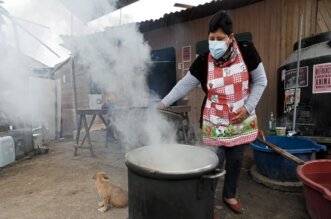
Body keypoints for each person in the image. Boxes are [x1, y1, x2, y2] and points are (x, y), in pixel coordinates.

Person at [157, 11, 267, 214]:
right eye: (211, 38)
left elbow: (261, 81)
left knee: (235, 162)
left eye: (220, 38)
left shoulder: (246, 50)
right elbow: (184, 85)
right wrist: (163, 104)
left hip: (239, 120)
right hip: (214, 122)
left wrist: (247, 108)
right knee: (211, 165)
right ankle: (207, 202)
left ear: (231, 37)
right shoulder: (203, 61)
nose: (215, 43)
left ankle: (229, 196)